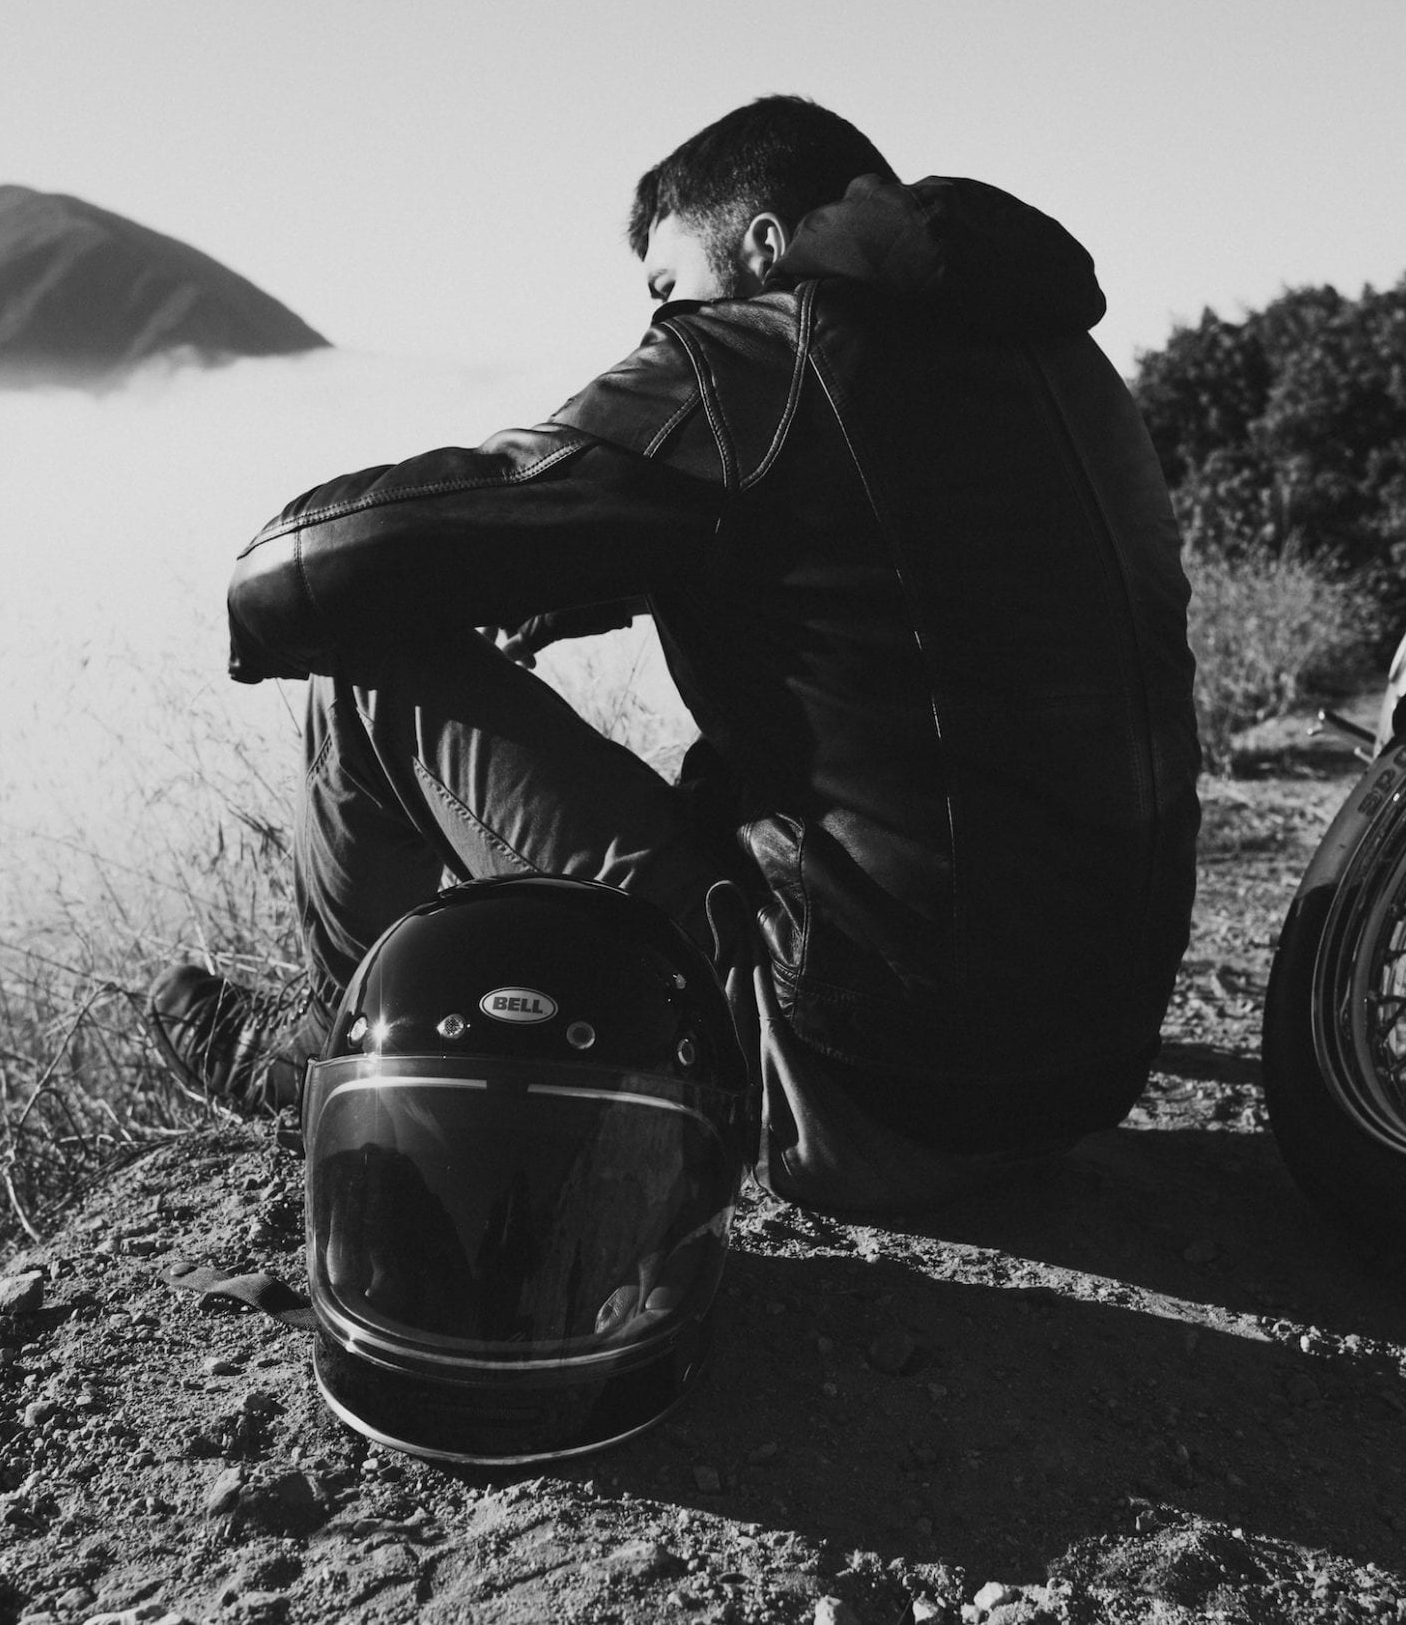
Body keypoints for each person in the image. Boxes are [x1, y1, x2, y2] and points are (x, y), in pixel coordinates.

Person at [148, 95, 1199, 1214]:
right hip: (1080, 1075)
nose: (656, 322)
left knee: (366, 674)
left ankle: (336, 1054)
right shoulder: (1064, 364)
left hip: (867, 1094)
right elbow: (901, 582)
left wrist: (261, 602)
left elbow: (334, 558)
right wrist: (621, 574)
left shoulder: (757, 355)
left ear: (760, 246)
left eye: (664, 289)